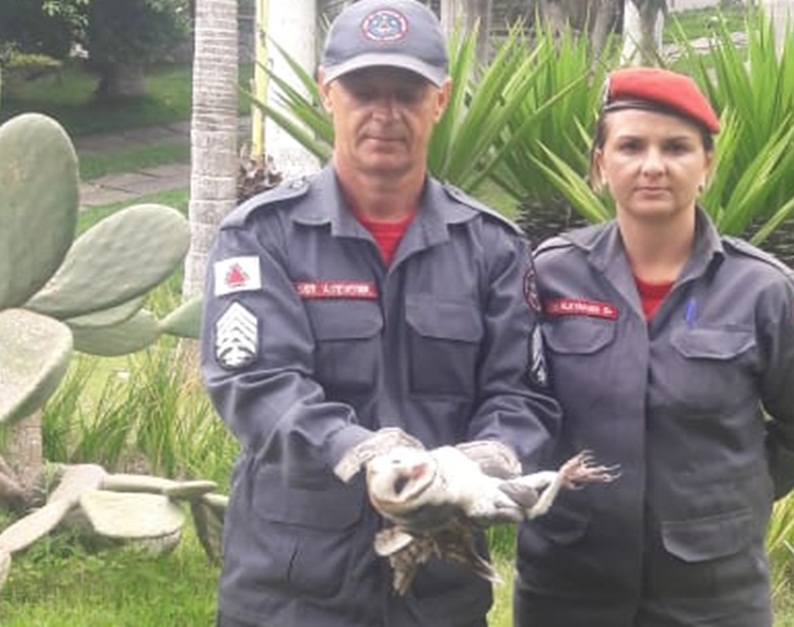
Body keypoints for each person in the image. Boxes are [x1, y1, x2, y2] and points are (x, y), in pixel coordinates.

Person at [199, 1, 560, 624]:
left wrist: (483, 461)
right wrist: (365, 453)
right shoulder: (263, 236)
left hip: (438, 583)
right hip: (292, 586)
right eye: (364, 90)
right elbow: (257, 383)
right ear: (326, 93)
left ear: (441, 100)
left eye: (407, 93)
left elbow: (521, 396)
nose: (385, 114)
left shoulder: (493, 248)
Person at [513, 67, 794, 627]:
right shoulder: (551, 275)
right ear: (600, 164)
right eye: (630, 146)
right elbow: (519, 398)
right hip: (568, 583)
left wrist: (724, 504)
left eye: (676, 147)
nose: (652, 165)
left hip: (711, 594)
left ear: (707, 165)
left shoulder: (763, 289)